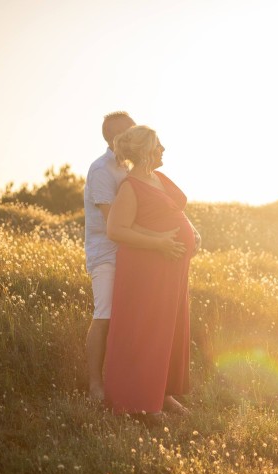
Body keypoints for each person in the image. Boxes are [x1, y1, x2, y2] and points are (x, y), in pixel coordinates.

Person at [104, 125, 200, 420]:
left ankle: (164, 393)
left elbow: (175, 211)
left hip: (171, 267)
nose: (163, 150)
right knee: (150, 331)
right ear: (146, 151)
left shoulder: (158, 178)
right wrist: (158, 243)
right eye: (158, 145)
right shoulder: (131, 187)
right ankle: (143, 403)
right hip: (148, 267)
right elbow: (115, 229)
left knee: (170, 328)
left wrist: (193, 231)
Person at [83, 111, 136, 401]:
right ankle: (95, 385)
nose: (131, 136)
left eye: (133, 130)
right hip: (105, 254)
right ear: (111, 138)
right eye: (125, 133)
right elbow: (112, 221)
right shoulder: (101, 169)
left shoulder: (128, 169)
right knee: (104, 315)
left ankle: (127, 382)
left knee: (128, 318)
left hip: (128, 250)